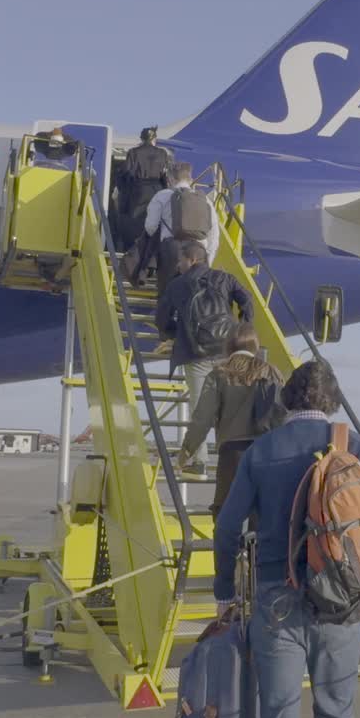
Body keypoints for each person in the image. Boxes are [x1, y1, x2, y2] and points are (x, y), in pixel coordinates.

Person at [212, 359, 360, 718]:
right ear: (331, 401)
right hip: (340, 606)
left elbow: (227, 526)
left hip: (277, 604)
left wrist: (223, 590)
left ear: (287, 400)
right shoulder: (354, 446)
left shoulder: (261, 451)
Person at [154, 240, 252, 467]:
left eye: (181, 260)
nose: (178, 265)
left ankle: (199, 461)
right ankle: (232, 459)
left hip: (194, 353)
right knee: (229, 406)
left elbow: (160, 319)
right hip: (227, 351)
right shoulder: (225, 278)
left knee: (200, 408)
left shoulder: (176, 285)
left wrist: (173, 334)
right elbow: (246, 299)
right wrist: (242, 326)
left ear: (192, 260)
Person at [176, 322, 283, 517]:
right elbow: (283, 414)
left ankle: (228, 546)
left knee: (225, 512)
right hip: (268, 452)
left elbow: (203, 418)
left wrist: (187, 450)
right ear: (255, 346)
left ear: (228, 346)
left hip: (232, 455)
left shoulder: (219, 374)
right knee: (264, 514)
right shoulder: (272, 372)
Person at [141, 162, 218, 295]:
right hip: (199, 252)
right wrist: (207, 260)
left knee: (167, 297)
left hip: (172, 249)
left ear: (170, 179)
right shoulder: (205, 199)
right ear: (191, 179)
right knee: (193, 299)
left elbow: (150, 227)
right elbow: (214, 235)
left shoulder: (162, 195)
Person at [117, 127, 171, 275]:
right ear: (154, 139)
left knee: (135, 225)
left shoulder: (134, 152)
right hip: (157, 190)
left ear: (141, 139)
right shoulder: (162, 153)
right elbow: (166, 176)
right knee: (154, 226)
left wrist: (124, 191)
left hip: (138, 191)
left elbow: (126, 173)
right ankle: (150, 261)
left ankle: (132, 260)